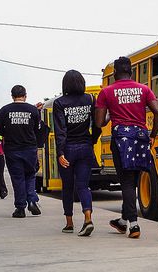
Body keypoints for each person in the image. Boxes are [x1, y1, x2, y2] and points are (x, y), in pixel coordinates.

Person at [95, 56, 158, 239]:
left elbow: (100, 122)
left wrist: (109, 113)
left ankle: (133, 224)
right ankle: (124, 220)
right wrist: (153, 135)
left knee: (126, 182)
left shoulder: (107, 92)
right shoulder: (144, 89)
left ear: (115, 72)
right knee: (132, 181)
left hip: (121, 140)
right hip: (140, 138)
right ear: (131, 71)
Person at [53, 70, 102, 236]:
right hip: (85, 147)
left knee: (67, 187)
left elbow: (61, 131)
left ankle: (69, 223)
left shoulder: (60, 103)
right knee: (83, 185)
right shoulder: (89, 99)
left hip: (67, 149)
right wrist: (93, 140)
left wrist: (60, 153)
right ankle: (88, 218)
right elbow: (97, 124)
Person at [0, 85, 42, 218]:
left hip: (12, 149)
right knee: (30, 175)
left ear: (12, 96)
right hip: (30, 148)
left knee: (18, 178)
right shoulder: (33, 110)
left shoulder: (4, 110)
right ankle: (32, 200)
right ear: (25, 95)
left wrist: (9, 135)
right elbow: (37, 128)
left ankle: (20, 208)